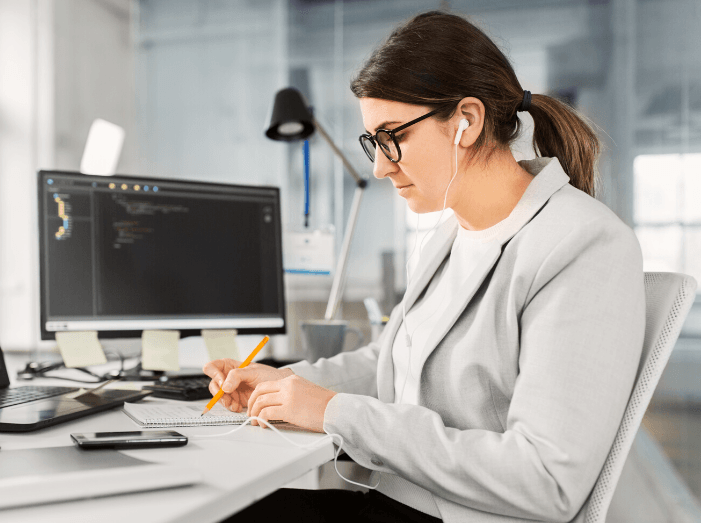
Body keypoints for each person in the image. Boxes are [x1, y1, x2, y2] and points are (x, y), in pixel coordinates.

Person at [205, 10, 645, 523]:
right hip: (396, 502)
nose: (379, 165)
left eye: (393, 135)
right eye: (373, 141)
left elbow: (546, 479)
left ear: (467, 121)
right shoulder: (450, 233)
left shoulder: (583, 244)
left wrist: (334, 412)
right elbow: (391, 363)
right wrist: (281, 386)